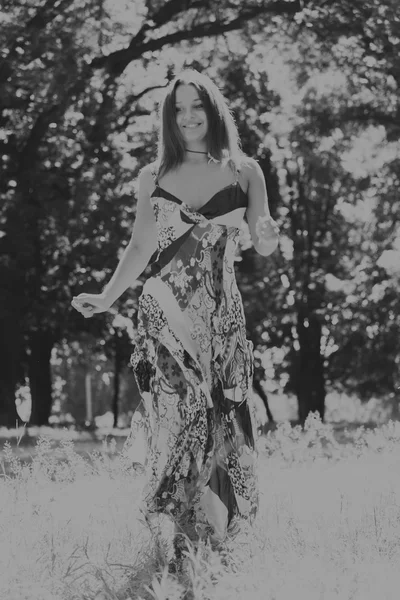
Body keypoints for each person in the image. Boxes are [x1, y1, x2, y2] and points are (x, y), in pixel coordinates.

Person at [71, 69, 279, 568]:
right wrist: (106, 295)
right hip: (165, 315)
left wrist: (270, 233)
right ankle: (185, 541)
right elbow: (141, 245)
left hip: (222, 317)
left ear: (213, 110)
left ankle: (218, 538)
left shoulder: (244, 171)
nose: (187, 117)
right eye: (178, 108)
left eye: (196, 106)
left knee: (224, 419)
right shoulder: (153, 176)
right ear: (169, 117)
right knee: (183, 421)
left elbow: (263, 240)